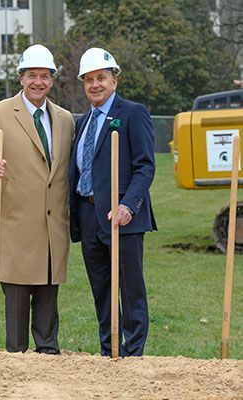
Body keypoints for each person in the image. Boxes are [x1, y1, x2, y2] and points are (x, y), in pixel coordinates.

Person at [0, 44, 74, 354]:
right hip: (15, 227)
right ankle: (15, 362)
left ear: (52, 80)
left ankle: (47, 356)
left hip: (53, 230)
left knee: (47, 306)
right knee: (16, 307)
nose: (38, 82)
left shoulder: (65, 119)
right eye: (32, 76)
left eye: (44, 76)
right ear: (21, 78)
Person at [69, 47, 157, 357]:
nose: (95, 85)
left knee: (130, 289)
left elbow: (146, 166)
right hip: (89, 213)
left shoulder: (132, 113)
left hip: (122, 217)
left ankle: (132, 354)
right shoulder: (82, 122)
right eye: (89, 80)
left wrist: (128, 205)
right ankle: (109, 351)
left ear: (114, 81)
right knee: (101, 290)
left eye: (101, 78)